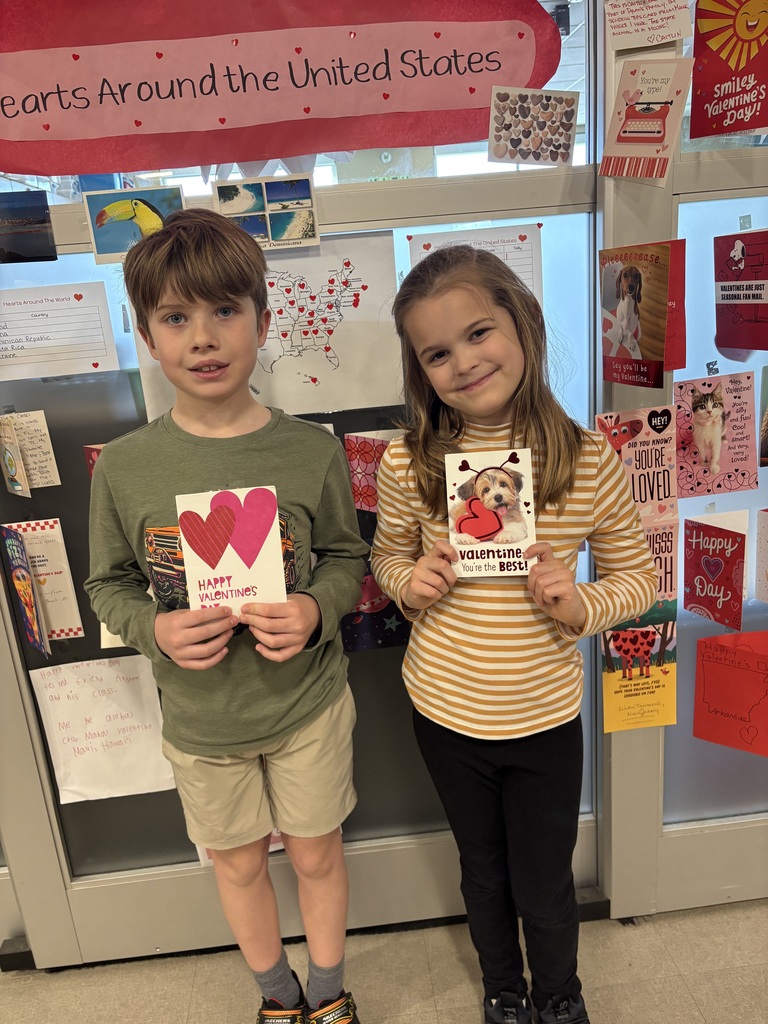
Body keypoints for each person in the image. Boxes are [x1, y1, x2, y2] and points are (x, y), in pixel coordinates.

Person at [85, 209, 369, 1024]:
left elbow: (348, 559)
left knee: (318, 852)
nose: (202, 338)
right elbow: (108, 585)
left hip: (307, 703)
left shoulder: (309, 448)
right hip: (203, 718)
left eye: (223, 312)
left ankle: (328, 991)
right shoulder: (128, 467)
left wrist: (315, 610)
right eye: (176, 318)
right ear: (146, 336)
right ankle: (276, 996)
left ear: (263, 322)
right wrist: (154, 628)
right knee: (238, 865)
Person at [370, 245, 656, 1024]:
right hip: (446, 713)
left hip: (545, 719)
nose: (462, 361)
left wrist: (576, 604)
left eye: (478, 333)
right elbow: (388, 554)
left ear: (523, 324)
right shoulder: (410, 462)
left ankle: (560, 996)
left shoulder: (589, 459)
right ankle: (504, 990)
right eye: (436, 352)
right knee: (484, 873)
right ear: (419, 368)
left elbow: (639, 580)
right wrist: (410, 581)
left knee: (544, 880)